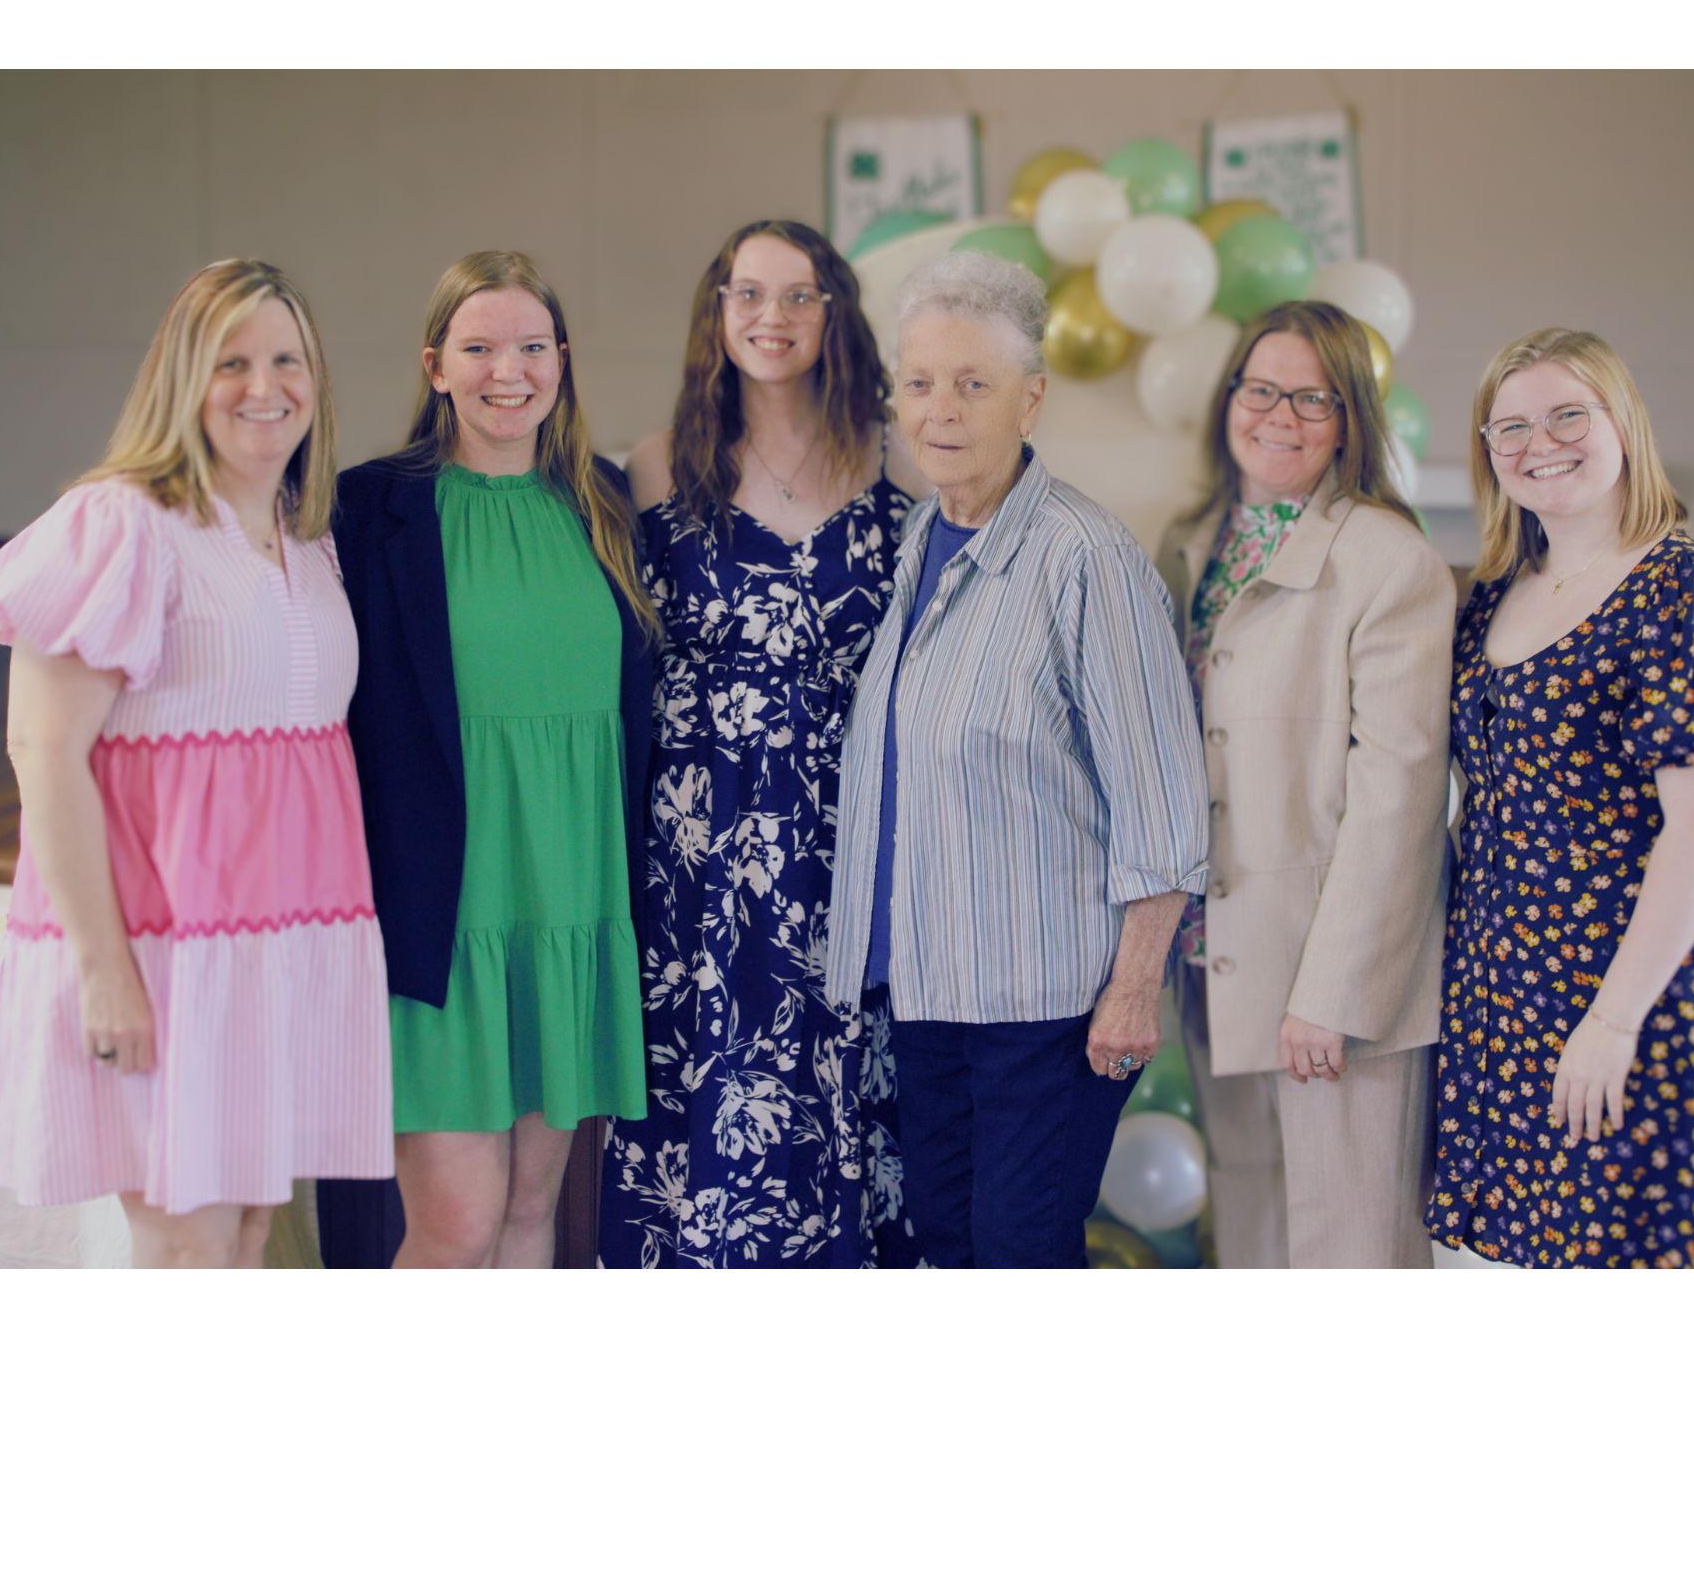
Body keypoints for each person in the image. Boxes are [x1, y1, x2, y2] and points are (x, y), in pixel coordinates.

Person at [0, 259, 393, 1268]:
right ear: (180, 378)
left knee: (242, 1236)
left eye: (287, 360)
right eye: (230, 362)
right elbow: (42, 751)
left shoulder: (306, 540)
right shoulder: (121, 524)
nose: (264, 386)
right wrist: (104, 971)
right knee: (186, 1247)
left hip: (276, 951)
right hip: (163, 955)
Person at [823, 251, 1210, 1269]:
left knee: (1018, 1252)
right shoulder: (921, 537)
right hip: (929, 987)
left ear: (1030, 399)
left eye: (973, 384)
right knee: (948, 1244)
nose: (940, 410)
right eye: (919, 383)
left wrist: (1134, 988)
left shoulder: (1087, 557)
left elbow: (1163, 800)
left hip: (1048, 1003)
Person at [596, 218, 928, 1267]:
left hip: (846, 822)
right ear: (718, 311)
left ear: (834, 314)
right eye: (747, 293)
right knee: (708, 1073)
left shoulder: (897, 459)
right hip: (699, 838)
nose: (770, 316)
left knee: (843, 1072)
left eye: (797, 295)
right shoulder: (658, 466)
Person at [317, 250, 657, 1269]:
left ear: (563, 359)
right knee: (456, 1225)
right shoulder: (369, 509)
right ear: (435, 366)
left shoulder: (607, 504)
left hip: (571, 907)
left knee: (530, 1215)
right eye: (478, 348)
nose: (508, 371)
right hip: (442, 920)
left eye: (531, 347)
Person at [1154, 301, 1454, 1269]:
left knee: (1350, 1255)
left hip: (1335, 983)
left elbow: (1399, 800)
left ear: (1348, 419)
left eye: (1311, 399)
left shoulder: (1389, 560)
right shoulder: (1192, 544)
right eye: (1261, 389)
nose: (1278, 416)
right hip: (1219, 960)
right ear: (1228, 400)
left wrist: (1334, 993)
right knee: (1253, 1243)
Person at [1429, 328, 1694, 1268]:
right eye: (1510, 427)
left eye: (1568, 415)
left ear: (1623, 423)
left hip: (1625, 995)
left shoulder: (1683, 592)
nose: (1539, 443)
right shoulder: (1492, 595)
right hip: (1500, 997)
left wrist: (1614, 1020)